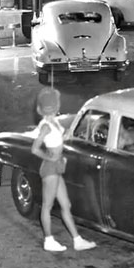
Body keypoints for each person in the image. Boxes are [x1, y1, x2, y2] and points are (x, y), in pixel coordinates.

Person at [30, 87, 97, 253]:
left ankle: (77, 240)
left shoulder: (54, 122)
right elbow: (34, 149)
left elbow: (59, 137)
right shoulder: (46, 125)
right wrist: (50, 157)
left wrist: (68, 135)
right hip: (50, 168)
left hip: (57, 165)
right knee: (47, 205)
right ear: (54, 106)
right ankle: (49, 240)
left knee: (66, 204)